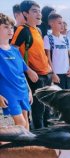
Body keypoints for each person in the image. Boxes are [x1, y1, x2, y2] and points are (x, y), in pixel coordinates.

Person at [11, 0, 51, 129]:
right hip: (34, 75)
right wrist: (28, 70)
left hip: (46, 74)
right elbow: (13, 52)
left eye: (39, 11)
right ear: (25, 13)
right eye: (34, 11)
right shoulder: (22, 30)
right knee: (37, 110)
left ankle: (46, 134)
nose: (39, 14)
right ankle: (38, 139)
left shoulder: (38, 30)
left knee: (45, 108)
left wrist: (49, 69)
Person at [0, 13, 37, 130]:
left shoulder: (15, 50)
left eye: (11, 27)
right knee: (20, 124)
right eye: (6, 27)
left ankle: (23, 148)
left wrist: (29, 90)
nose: (10, 30)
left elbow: (21, 72)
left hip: (22, 90)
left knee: (26, 124)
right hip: (8, 92)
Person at [44, 13, 70, 89]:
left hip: (67, 73)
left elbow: (69, 55)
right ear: (51, 24)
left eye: (62, 23)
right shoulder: (48, 38)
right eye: (59, 23)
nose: (62, 25)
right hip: (56, 74)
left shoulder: (66, 38)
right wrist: (53, 73)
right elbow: (48, 58)